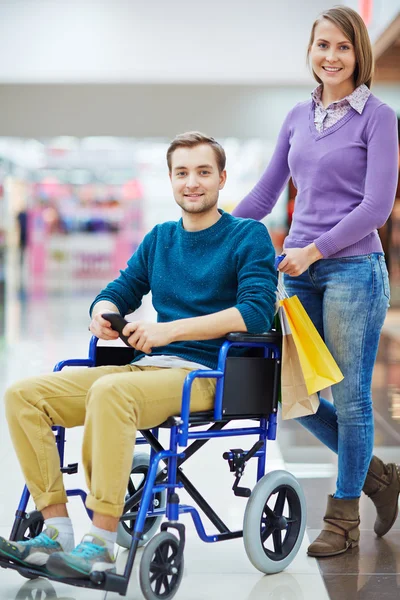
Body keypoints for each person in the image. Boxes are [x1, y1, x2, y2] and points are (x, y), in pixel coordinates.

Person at [0, 132, 277, 579]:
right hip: (148, 371)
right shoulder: (161, 239)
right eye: (182, 173)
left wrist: (167, 330)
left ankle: (102, 541)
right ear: (169, 180)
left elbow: (256, 310)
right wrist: (103, 313)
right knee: (23, 396)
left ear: (222, 178)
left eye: (203, 172)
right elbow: (119, 291)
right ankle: (55, 530)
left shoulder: (248, 236)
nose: (192, 182)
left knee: (112, 391)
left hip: (209, 374)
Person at [233, 6, 399, 558]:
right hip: (299, 275)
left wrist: (313, 250)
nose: (331, 56)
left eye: (343, 48)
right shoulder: (295, 118)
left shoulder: (378, 118)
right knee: (296, 396)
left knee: (350, 399)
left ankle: (344, 515)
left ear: (360, 55)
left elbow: (376, 208)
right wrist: (210, 228)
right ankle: (379, 477)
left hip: (353, 269)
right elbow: (265, 194)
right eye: (322, 45)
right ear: (310, 50)